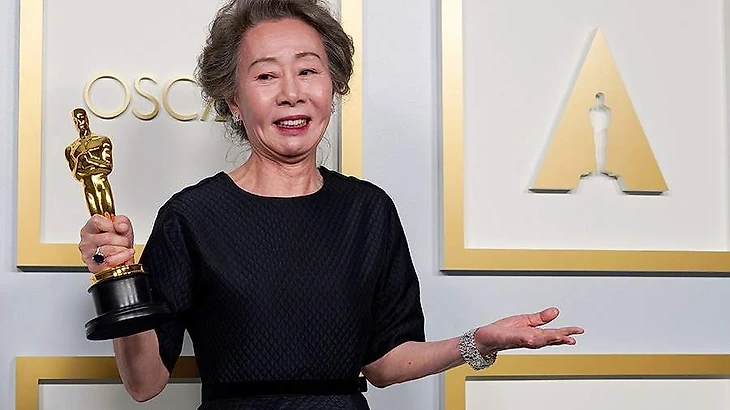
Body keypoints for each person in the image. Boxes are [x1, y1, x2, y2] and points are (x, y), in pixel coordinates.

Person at [77, 1, 584, 409]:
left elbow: (384, 363)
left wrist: (479, 342)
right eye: (266, 76)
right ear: (233, 100)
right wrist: (114, 277)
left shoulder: (368, 211)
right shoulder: (191, 217)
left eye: (308, 71)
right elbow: (144, 383)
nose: (292, 93)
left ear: (333, 87)